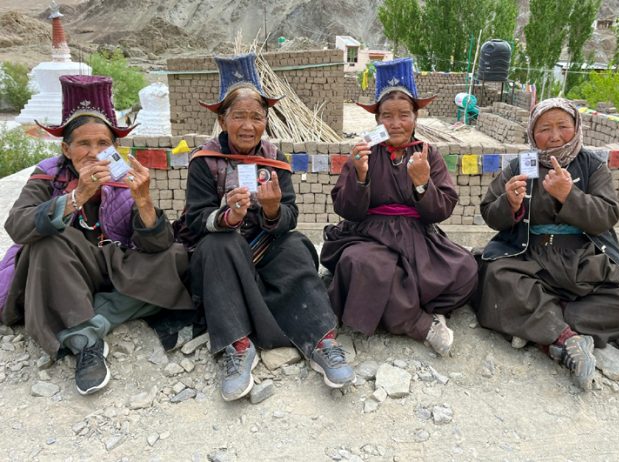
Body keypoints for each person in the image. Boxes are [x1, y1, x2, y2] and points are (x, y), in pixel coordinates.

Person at [0, 75, 192, 395]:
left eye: (103, 143)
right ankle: (87, 343)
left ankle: (89, 319)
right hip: (64, 270)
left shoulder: (123, 176)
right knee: (47, 242)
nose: (93, 152)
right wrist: (76, 196)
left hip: (113, 266)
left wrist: (144, 201)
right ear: (66, 147)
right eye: (83, 144)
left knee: (178, 255)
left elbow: (155, 245)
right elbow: (17, 226)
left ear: (113, 147)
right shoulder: (49, 173)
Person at [184, 53, 355, 401]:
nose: (248, 126)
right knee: (220, 245)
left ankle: (321, 340)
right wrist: (227, 218)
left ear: (266, 121)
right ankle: (238, 346)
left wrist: (274, 210)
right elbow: (193, 220)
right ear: (222, 120)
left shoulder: (274, 160)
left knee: (294, 245)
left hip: (264, 244)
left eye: (256, 117)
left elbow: (290, 214)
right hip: (224, 254)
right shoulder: (204, 162)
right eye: (239, 116)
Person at [474, 98, 619, 390]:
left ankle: (543, 322)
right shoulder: (522, 165)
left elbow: (607, 216)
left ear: (576, 127)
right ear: (533, 133)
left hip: (581, 257)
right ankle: (566, 338)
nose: (554, 136)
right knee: (493, 276)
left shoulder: (592, 166)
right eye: (544, 128)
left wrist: (569, 195)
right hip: (530, 253)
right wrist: (509, 203)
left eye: (563, 127)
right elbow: (489, 213)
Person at [320, 57, 478, 356]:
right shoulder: (363, 153)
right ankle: (420, 324)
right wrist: (360, 175)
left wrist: (422, 185)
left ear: (416, 117)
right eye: (387, 116)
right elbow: (347, 209)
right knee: (362, 264)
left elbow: (441, 210)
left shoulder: (428, 154)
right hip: (369, 236)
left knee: (467, 269)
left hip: (417, 237)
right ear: (377, 119)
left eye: (403, 115)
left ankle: (384, 305)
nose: (395, 123)